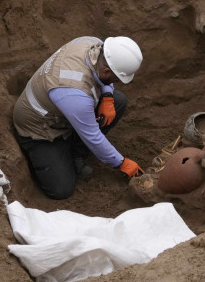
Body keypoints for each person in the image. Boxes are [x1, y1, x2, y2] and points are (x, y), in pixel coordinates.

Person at [11, 36, 144, 200]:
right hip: (40, 129)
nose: (118, 82)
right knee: (61, 189)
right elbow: (93, 136)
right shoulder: (74, 93)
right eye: (117, 78)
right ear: (107, 72)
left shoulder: (92, 43)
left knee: (118, 101)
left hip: (63, 108)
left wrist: (108, 95)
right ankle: (60, 152)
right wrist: (122, 163)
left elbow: (103, 76)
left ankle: (76, 152)